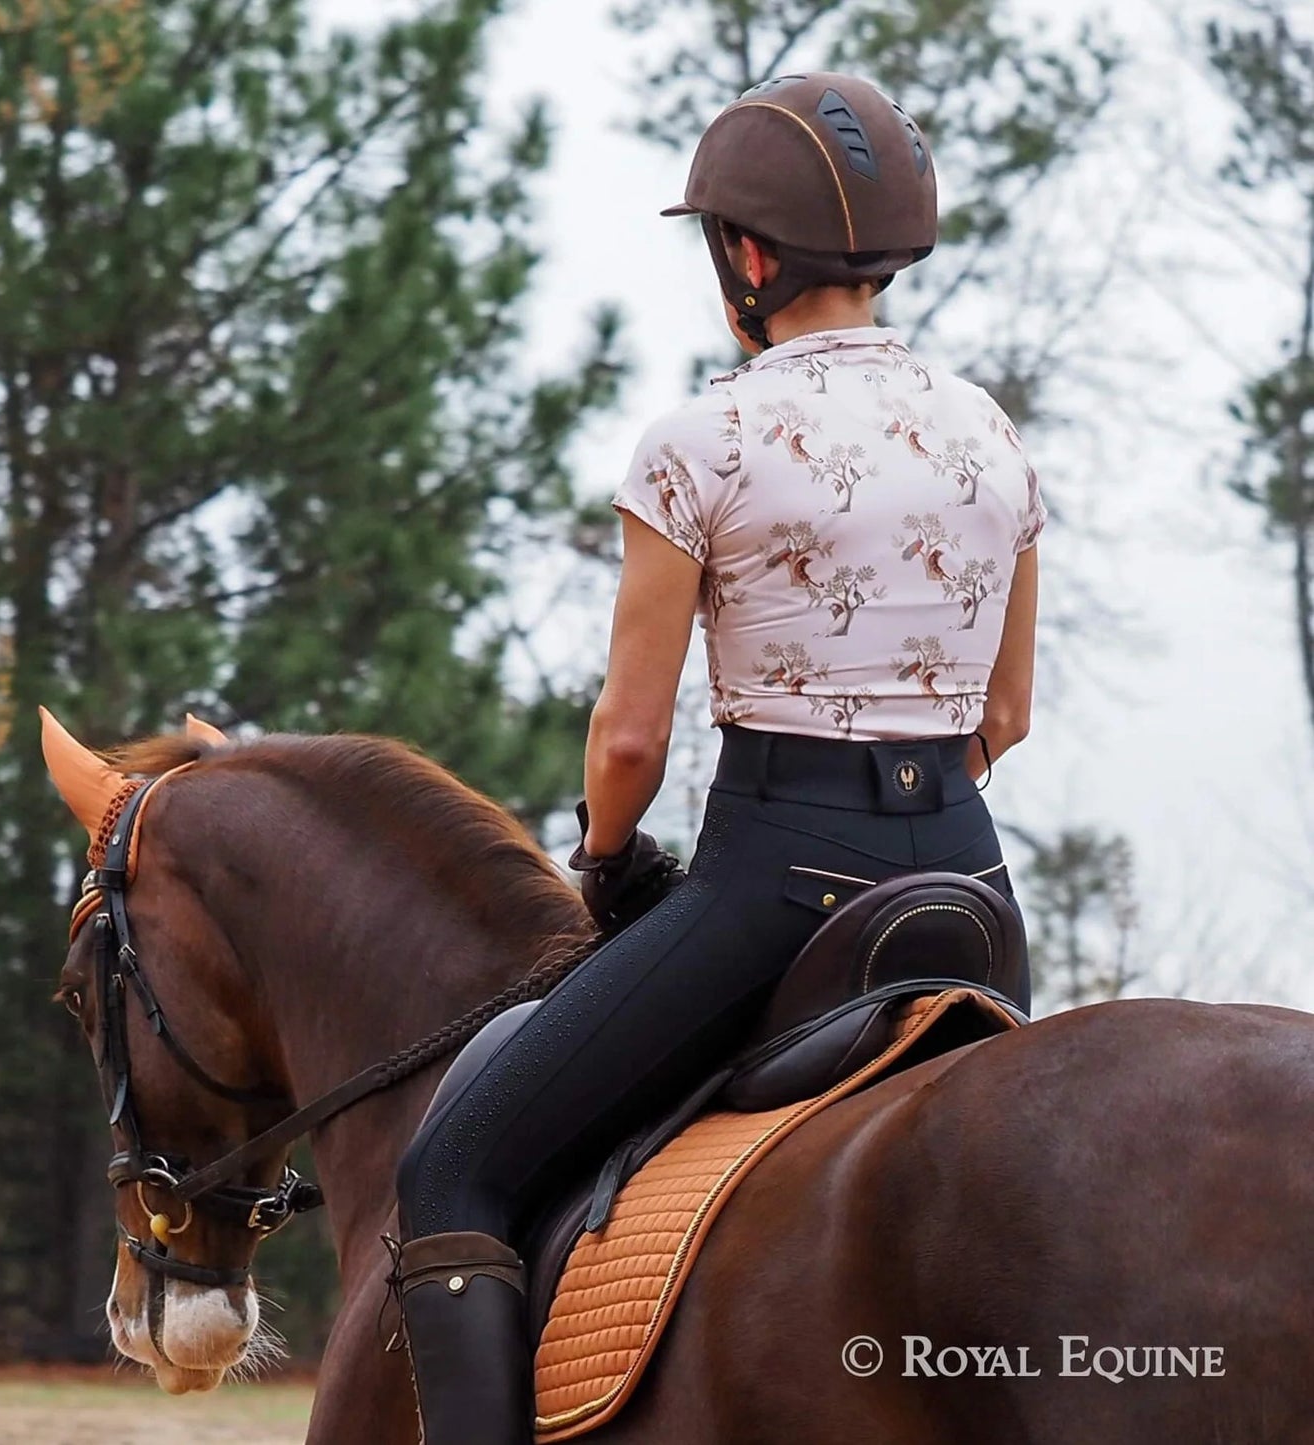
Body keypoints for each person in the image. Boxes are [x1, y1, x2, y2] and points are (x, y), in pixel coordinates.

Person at [391, 72, 1043, 1445]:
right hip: (968, 896)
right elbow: (1008, 714)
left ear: (746, 256)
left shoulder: (701, 442)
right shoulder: (985, 431)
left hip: (777, 883)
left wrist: (610, 856)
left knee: (453, 1165)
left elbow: (629, 737)